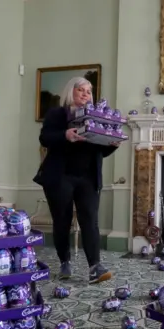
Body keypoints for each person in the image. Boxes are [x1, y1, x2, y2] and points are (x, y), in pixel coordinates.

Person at [33, 76, 118, 283]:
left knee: (90, 220)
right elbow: (45, 138)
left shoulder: (96, 117)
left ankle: (95, 267)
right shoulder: (57, 114)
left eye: (89, 92)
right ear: (71, 91)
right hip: (60, 176)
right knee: (62, 221)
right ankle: (65, 262)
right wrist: (65, 135)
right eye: (81, 90)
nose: (86, 94)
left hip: (88, 178)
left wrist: (111, 145)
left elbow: (99, 151)